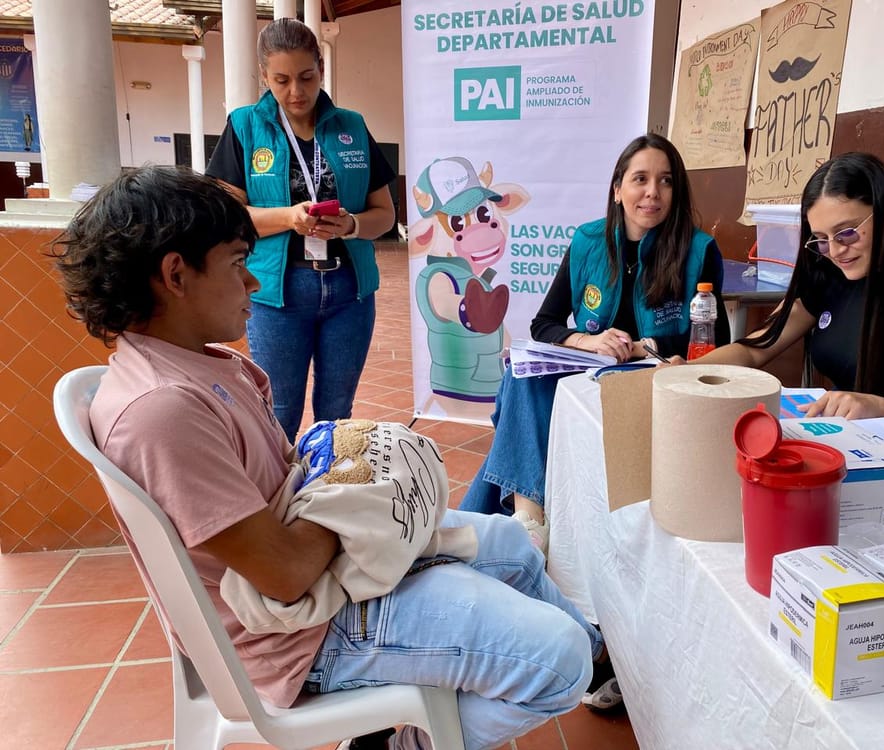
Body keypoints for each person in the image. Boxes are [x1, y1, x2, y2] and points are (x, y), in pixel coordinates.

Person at [53, 165, 617, 750]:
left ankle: (600, 655)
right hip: (295, 639)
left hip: (317, 589)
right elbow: (286, 573)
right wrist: (360, 494)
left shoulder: (202, 364)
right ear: (176, 275)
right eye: (237, 263)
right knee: (559, 659)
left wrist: (348, 477)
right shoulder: (161, 411)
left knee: (510, 543)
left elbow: (291, 480)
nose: (252, 283)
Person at [460, 133, 730, 565]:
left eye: (665, 181)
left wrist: (645, 346)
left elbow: (715, 341)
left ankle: (506, 524)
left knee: (516, 396)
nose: (652, 192)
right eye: (640, 179)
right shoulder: (588, 241)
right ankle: (529, 520)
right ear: (617, 189)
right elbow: (544, 323)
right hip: (589, 370)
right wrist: (585, 340)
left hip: (651, 376)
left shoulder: (698, 250)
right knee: (522, 375)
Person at [676, 152, 884, 455]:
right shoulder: (830, 276)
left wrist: (879, 409)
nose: (835, 250)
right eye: (820, 239)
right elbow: (754, 349)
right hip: (850, 446)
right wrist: (684, 374)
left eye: (847, 233)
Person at [206, 18, 396, 443]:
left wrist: (351, 225)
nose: (296, 91)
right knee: (279, 413)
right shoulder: (245, 127)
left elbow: (385, 214)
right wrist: (288, 218)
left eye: (307, 77)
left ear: (321, 69)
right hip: (278, 293)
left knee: (338, 413)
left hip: (350, 292)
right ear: (264, 76)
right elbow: (224, 217)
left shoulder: (351, 126)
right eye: (282, 80)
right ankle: (280, 486)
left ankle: (327, 483)